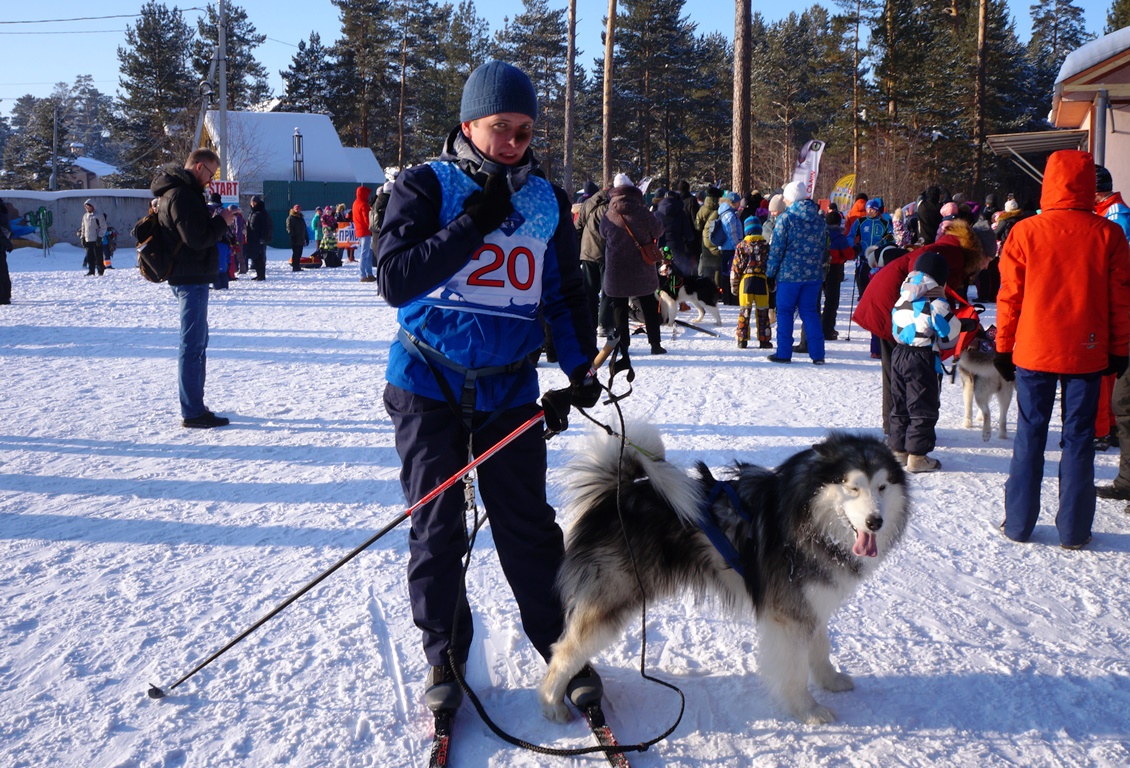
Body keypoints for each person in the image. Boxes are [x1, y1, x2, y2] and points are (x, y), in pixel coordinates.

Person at [374, 60, 599, 713]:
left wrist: (581, 367)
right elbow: (396, 280)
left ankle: (563, 647)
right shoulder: (426, 185)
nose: (513, 145)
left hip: (506, 390)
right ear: (470, 122)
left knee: (528, 527)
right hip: (427, 382)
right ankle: (444, 654)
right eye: (501, 129)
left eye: (525, 133)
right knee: (437, 526)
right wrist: (473, 222)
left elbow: (560, 294)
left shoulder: (547, 200)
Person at [994, 149, 1130, 549]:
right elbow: (1120, 299)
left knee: (1030, 436)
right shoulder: (1108, 234)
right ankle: (1074, 530)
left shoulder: (1025, 232)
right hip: (1087, 352)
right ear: (1089, 184)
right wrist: (1119, 349)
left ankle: (1018, 524)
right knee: (1079, 440)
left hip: (1035, 350)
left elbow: (1009, 297)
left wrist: (1003, 347)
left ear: (1048, 182)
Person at [150, 148, 236, 428]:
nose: (211, 181)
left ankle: (195, 406)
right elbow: (196, 239)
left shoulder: (176, 193)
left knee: (197, 344)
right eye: (211, 174)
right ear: (199, 167)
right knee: (192, 346)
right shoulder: (182, 195)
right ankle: (193, 411)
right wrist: (221, 221)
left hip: (189, 275)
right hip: (190, 277)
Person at [889, 251, 960, 472]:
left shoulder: (902, 298)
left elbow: (895, 329)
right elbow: (949, 337)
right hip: (922, 358)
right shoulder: (936, 303)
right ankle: (918, 456)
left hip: (899, 353)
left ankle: (898, 451)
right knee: (922, 404)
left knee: (900, 402)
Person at [601, 172, 665, 361]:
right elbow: (659, 230)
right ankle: (655, 344)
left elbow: (602, 234)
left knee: (619, 306)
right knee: (648, 304)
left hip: (616, 266)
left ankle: (623, 345)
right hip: (641, 265)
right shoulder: (642, 211)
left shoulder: (609, 213)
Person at [766, 180, 828, 364]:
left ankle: (784, 353)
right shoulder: (819, 219)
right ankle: (818, 354)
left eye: (785, 198)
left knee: (785, 312)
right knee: (810, 312)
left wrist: (770, 273)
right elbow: (824, 247)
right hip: (813, 274)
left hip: (789, 275)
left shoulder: (786, 219)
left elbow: (776, 249)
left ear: (791, 199)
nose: (784, 201)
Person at [575, 182, 611, 337]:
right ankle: (605, 324)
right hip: (607, 253)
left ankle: (589, 324)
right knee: (607, 291)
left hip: (587, 252)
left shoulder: (587, 204)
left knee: (590, 291)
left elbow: (578, 228)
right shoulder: (613, 206)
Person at [731, 216, 772, 348]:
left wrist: (734, 286)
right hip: (762, 280)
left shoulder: (741, 246)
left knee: (745, 311)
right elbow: (771, 266)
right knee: (763, 312)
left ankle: (742, 339)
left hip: (746, 281)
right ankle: (764, 339)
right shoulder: (766, 246)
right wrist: (772, 284)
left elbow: (736, 267)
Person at [352, 185, 375, 282]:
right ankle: (363, 274)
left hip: (359, 230)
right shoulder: (364, 204)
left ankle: (369, 273)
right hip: (366, 230)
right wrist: (372, 227)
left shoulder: (355, 203)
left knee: (367, 253)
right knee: (365, 253)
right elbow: (367, 220)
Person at [245, 195, 271, 281]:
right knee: (255, 257)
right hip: (252, 239)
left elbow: (266, 227)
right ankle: (258, 274)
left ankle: (261, 275)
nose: (252, 204)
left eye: (254, 202)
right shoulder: (252, 212)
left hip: (258, 239)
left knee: (260, 257)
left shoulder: (261, 213)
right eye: (251, 202)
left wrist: (263, 238)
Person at [78, 200, 105, 276]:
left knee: (98, 256)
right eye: (86, 207)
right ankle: (91, 271)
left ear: (92, 206)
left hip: (96, 239)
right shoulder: (85, 216)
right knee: (89, 256)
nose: (87, 208)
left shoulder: (98, 215)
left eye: (88, 206)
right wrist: (82, 237)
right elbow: (83, 227)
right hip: (88, 239)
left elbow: (103, 227)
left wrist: (100, 236)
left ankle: (100, 271)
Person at [286, 205, 308, 272]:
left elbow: (304, 228)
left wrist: (306, 237)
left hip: (301, 238)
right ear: (294, 209)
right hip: (295, 238)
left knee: (299, 253)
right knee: (295, 253)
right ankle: (295, 266)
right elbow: (289, 228)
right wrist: (292, 236)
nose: (298, 211)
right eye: (296, 209)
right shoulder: (291, 218)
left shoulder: (301, 218)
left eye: (299, 209)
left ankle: (297, 266)